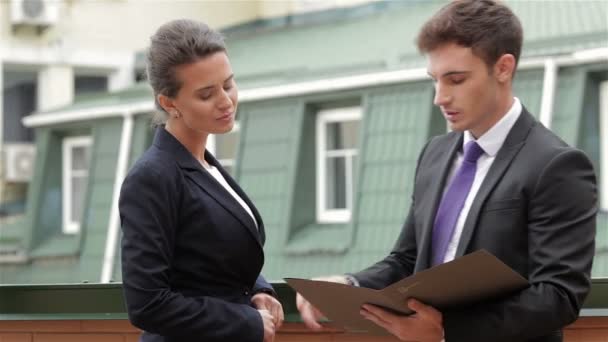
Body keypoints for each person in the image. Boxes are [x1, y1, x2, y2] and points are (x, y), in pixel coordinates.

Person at [296, 1, 597, 341]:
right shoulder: (435, 154)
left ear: (503, 67)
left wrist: (445, 332)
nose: (440, 97)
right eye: (435, 80)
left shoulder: (557, 165)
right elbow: (407, 260)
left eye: (455, 79)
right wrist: (350, 284)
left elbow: (558, 296)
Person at [119, 19, 283, 342]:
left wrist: (258, 290)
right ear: (169, 103)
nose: (225, 101)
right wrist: (245, 322)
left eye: (228, 84)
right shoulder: (153, 177)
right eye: (207, 94)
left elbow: (212, 262)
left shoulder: (205, 165)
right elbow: (147, 303)